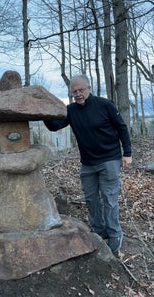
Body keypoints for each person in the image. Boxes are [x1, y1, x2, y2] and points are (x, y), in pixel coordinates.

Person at [44, 74, 132, 255]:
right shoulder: (71, 111)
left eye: (80, 90)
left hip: (109, 159)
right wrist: (43, 112)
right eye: (74, 91)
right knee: (91, 198)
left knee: (109, 197)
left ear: (89, 88)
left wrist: (127, 153)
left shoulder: (104, 105)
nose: (77, 94)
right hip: (88, 163)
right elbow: (54, 126)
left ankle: (115, 233)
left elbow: (121, 127)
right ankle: (99, 231)